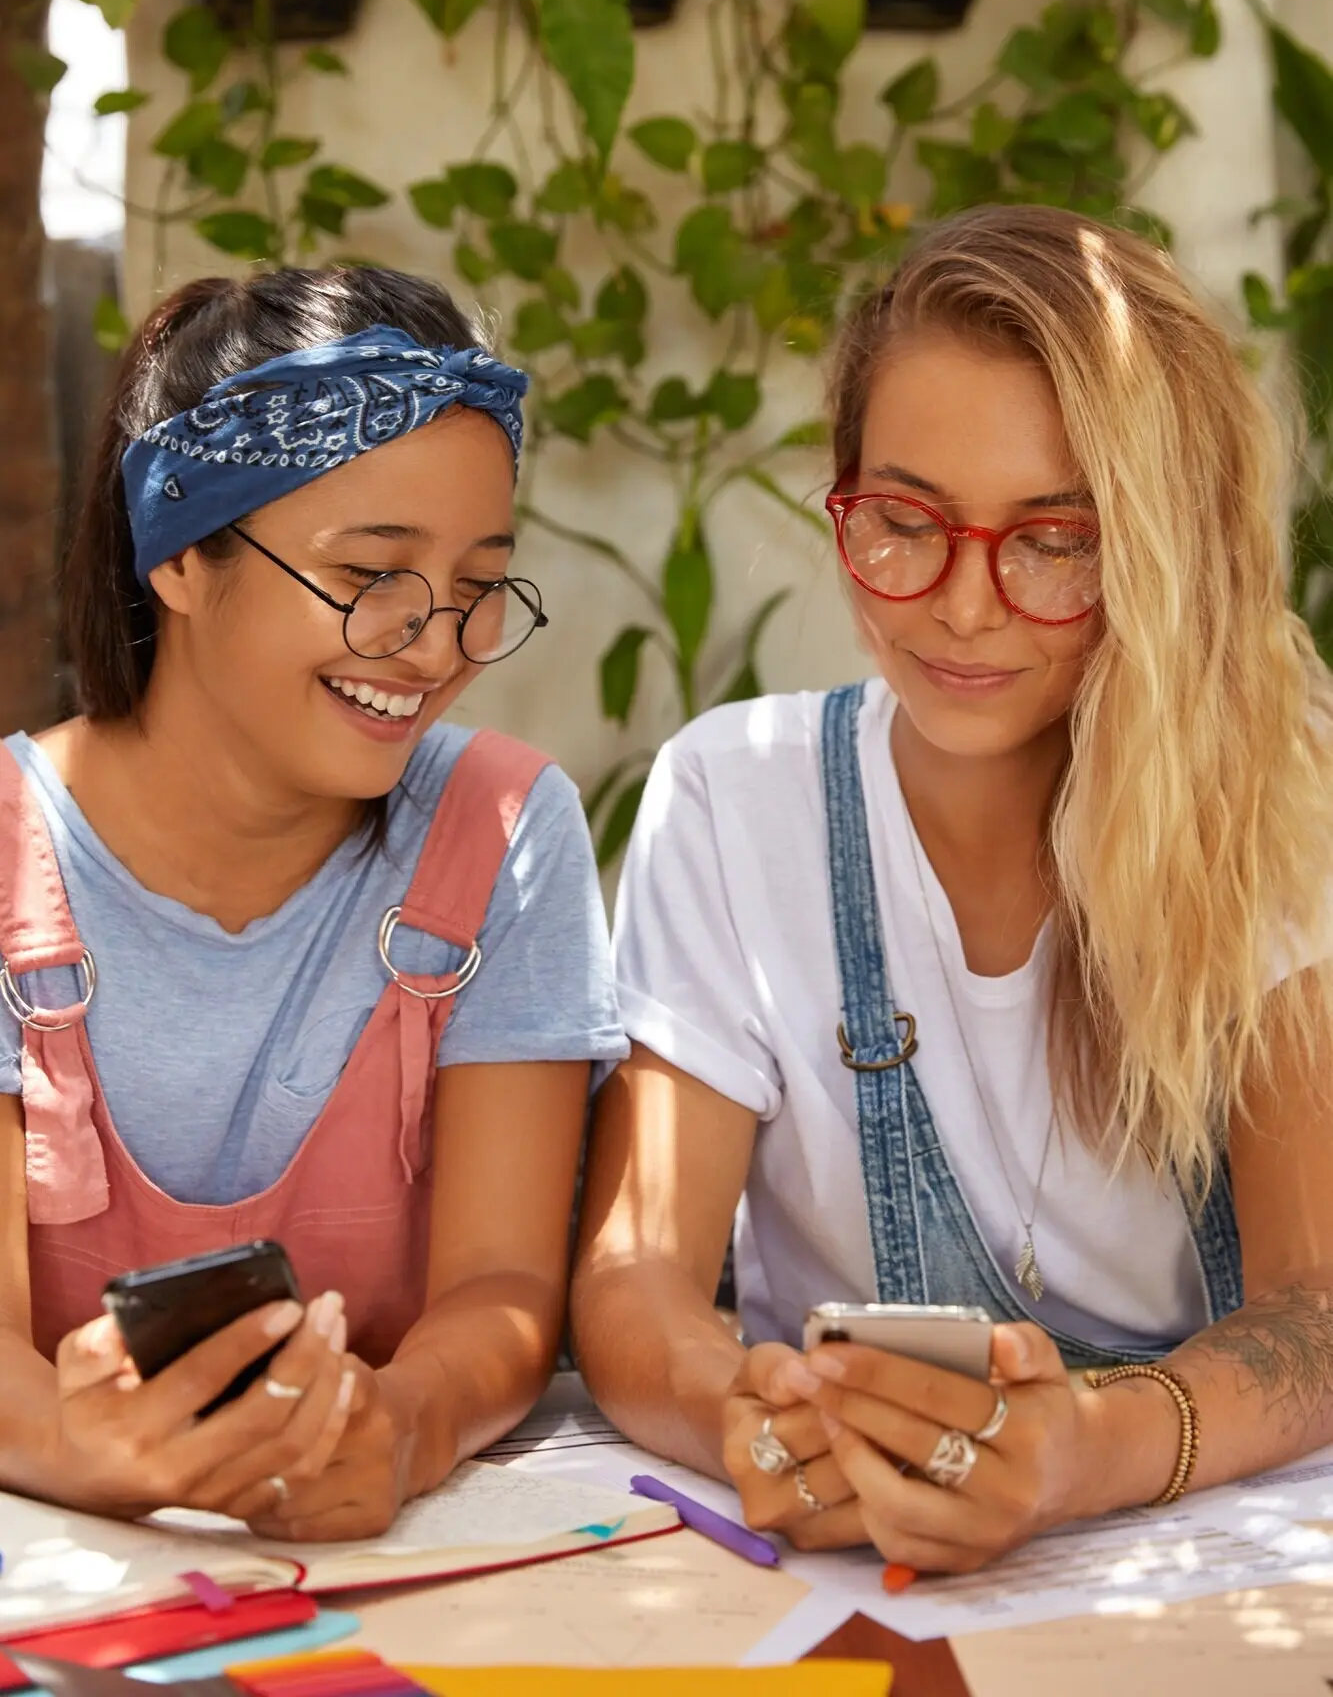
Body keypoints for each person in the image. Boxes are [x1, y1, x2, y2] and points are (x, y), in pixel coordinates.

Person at [572, 204, 1333, 1573]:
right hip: (846, 1567)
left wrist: (1082, 1452)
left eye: (1055, 540)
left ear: (1161, 551)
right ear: (843, 497)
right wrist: (744, 1417)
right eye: (907, 521)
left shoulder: (1282, 795)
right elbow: (637, 1278)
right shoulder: (736, 803)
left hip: (1211, 1553)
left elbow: (1313, 1307)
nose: (963, 606)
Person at [0, 266, 625, 1537]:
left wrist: (401, 1431)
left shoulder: (503, 830)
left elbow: (503, 1287)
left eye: (474, 585)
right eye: (371, 575)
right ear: (178, 552)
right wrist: (93, 1447)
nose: (436, 645)